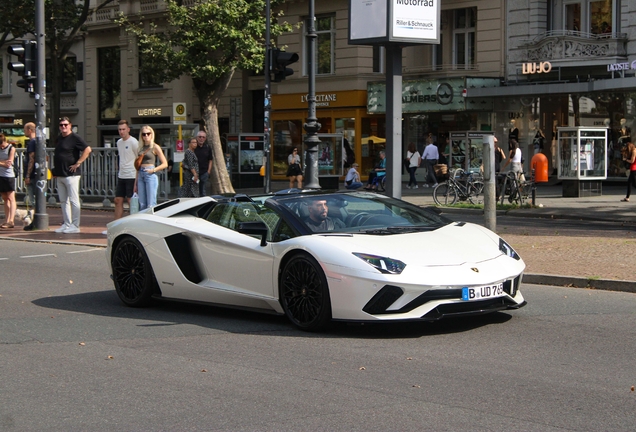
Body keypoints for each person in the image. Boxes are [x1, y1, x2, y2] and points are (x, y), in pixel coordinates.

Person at [52, 117, 92, 234]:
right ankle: (67, 223)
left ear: (70, 125)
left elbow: (87, 149)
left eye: (65, 125)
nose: (63, 127)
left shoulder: (75, 138)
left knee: (74, 200)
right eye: (61, 125)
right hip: (60, 174)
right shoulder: (59, 138)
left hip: (72, 174)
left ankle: (75, 225)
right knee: (63, 201)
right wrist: (55, 171)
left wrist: (78, 163)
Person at [103, 120, 139, 235]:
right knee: (118, 200)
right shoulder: (119, 142)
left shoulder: (134, 142)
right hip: (122, 174)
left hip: (132, 174)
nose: (121, 131)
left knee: (130, 201)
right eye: (119, 129)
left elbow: (139, 158)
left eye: (123, 129)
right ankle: (116, 227)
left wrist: (137, 177)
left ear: (128, 129)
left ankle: (134, 227)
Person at [135, 125, 168, 211]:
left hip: (150, 173)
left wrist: (153, 170)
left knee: (151, 204)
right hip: (140, 174)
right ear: (141, 136)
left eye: (148, 134)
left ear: (151, 134)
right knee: (142, 204)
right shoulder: (140, 147)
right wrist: (135, 182)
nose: (146, 136)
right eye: (144, 134)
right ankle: (143, 223)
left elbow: (165, 163)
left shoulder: (155, 147)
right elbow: (137, 166)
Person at [0, 133, 17, 229]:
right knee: (5, 198)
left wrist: (2, 163)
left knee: (11, 197)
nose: (1, 147)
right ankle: (7, 220)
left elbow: (9, 164)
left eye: (2, 145)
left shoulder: (11, 148)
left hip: (9, 175)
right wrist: (3, 162)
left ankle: (11, 220)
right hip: (0, 175)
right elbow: (5, 163)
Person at [194, 130, 213, 196]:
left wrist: (208, 171)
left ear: (205, 138)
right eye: (200, 137)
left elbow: (210, 160)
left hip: (204, 173)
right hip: (194, 173)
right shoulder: (193, 147)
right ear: (197, 137)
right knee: (195, 191)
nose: (201, 139)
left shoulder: (207, 148)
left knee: (203, 191)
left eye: (203, 137)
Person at [23, 122, 37, 207]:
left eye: (24, 130)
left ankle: (34, 218)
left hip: (32, 175)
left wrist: (27, 175)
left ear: (29, 130)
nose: (24, 132)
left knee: (33, 200)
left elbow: (31, 160)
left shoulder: (32, 143)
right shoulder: (39, 141)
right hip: (37, 173)